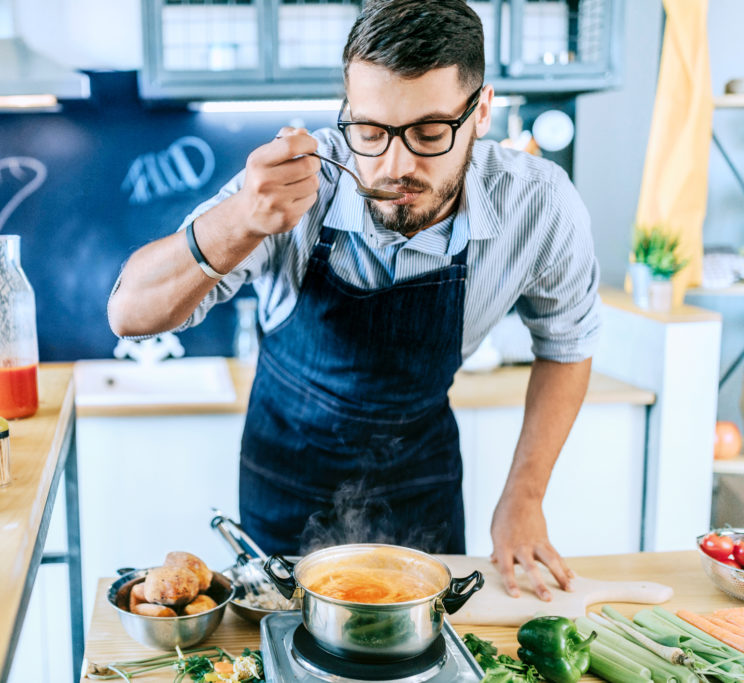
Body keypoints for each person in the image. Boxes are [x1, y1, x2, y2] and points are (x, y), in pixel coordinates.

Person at [108, 0, 600, 602]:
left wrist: (524, 496)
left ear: (482, 113)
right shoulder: (296, 182)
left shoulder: (540, 205)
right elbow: (129, 313)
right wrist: (239, 219)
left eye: (428, 133)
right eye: (369, 131)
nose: (394, 165)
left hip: (422, 484)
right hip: (286, 480)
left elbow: (567, 344)